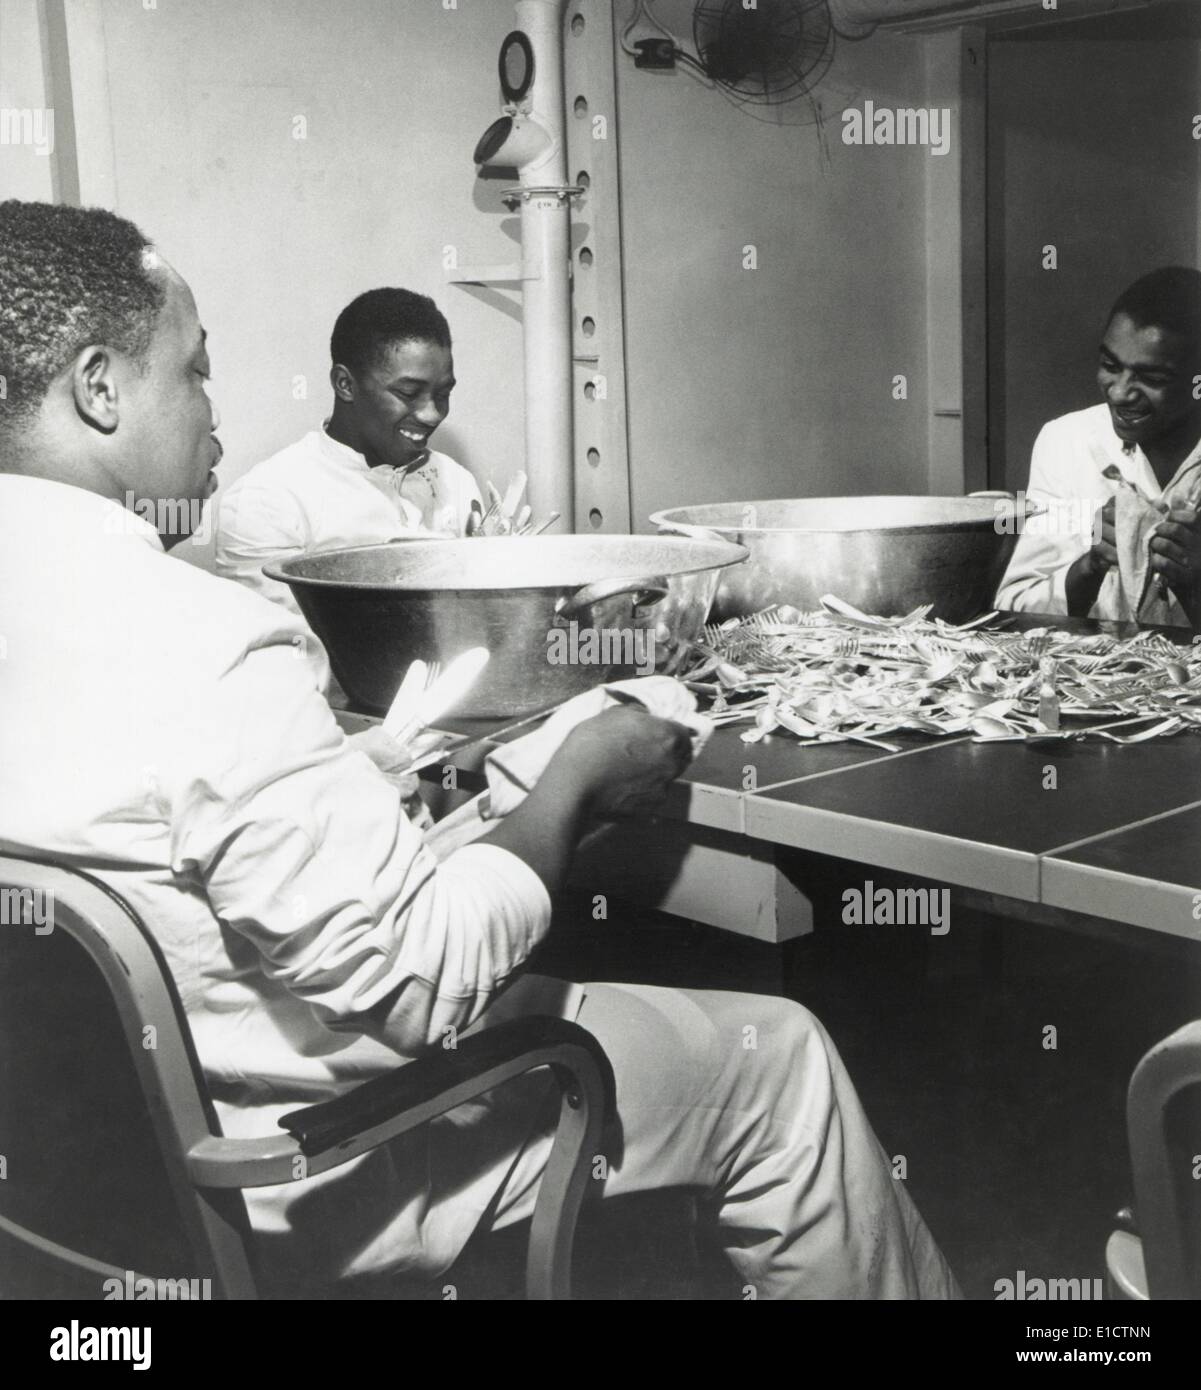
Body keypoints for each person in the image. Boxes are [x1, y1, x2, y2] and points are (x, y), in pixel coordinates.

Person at [0, 200, 960, 1300]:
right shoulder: (201, 636)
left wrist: (358, 777)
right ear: (99, 386)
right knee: (777, 1056)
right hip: (308, 1171)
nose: (212, 408)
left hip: (72, 1196)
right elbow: (423, 982)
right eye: (196, 371)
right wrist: (574, 778)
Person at [214, 287, 483, 691]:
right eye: (408, 393)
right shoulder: (268, 500)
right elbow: (286, 667)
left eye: (443, 394)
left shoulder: (457, 483)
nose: (432, 414)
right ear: (345, 384)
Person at [997, 267, 1201, 630]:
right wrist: (1088, 567)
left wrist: (1196, 587)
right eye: (1110, 366)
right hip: (1092, 681)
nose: (1120, 393)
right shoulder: (1067, 442)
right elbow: (1014, 605)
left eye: (1152, 379)